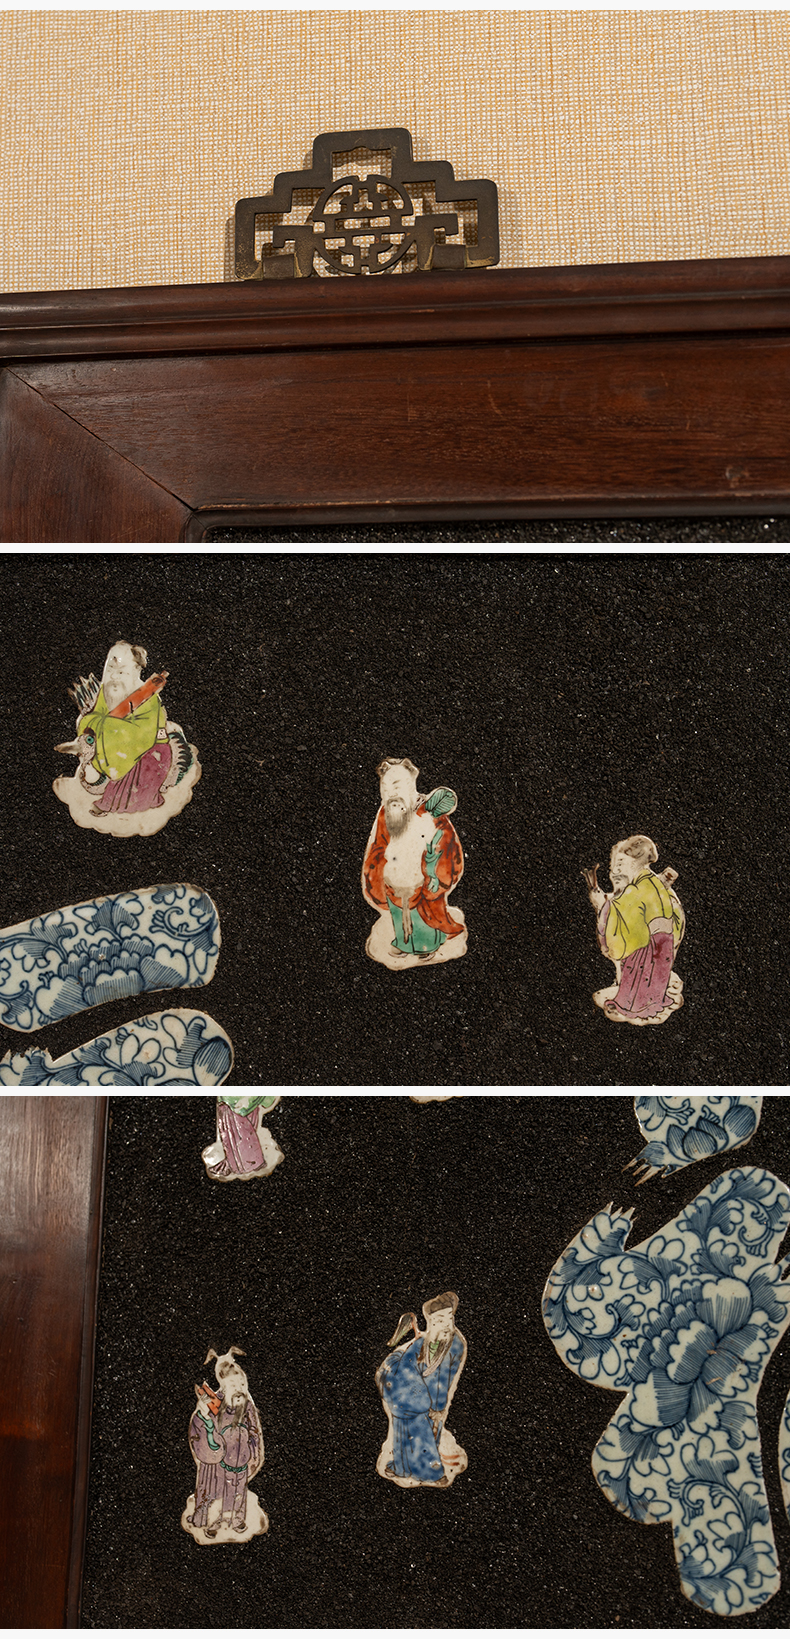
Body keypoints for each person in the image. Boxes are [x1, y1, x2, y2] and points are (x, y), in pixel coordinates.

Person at [362, 758, 466, 964]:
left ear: (411, 784)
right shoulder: (386, 813)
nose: (391, 792)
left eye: (396, 785)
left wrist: (434, 870)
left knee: (423, 915)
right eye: (385, 788)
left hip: (423, 877)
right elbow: (378, 843)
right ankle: (404, 944)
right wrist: (379, 871)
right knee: (399, 913)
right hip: (394, 877)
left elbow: (445, 842)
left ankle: (427, 946)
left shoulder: (430, 811)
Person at [583, 834, 685, 1024]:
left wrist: (601, 903)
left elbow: (621, 910)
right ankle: (651, 1002)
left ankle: (632, 1007)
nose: (618, 868)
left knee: (638, 975)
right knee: (652, 977)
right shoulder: (653, 882)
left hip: (647, 943)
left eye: (621, 862)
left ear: (634, 862)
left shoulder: (638, 887)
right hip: (663, 942)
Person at [376, 1292, 467, 1487]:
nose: (446, 1325)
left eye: (449, 1319)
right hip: (410, 1396)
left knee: (425, 1437)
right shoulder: (422, 1342)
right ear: (431, 1322)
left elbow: (446, 1379)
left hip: (431, 1399)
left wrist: (438, 1407)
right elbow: (406, 1364)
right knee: (402, 1429)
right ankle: (401, 1467)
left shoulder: (455, 1345)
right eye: (440, 1320)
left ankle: (432, 1474)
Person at [76, 642, 171, 817]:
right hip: (115, 748)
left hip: (149, 752)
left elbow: (141, 735)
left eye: (121, 672)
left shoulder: (149, 699)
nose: (114, 676)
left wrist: (106, 726)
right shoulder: (105, 692)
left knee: (135, 774)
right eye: (110, 669)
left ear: (135, 671)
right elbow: (93, 718)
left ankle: (116, 804)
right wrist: (99, 723)